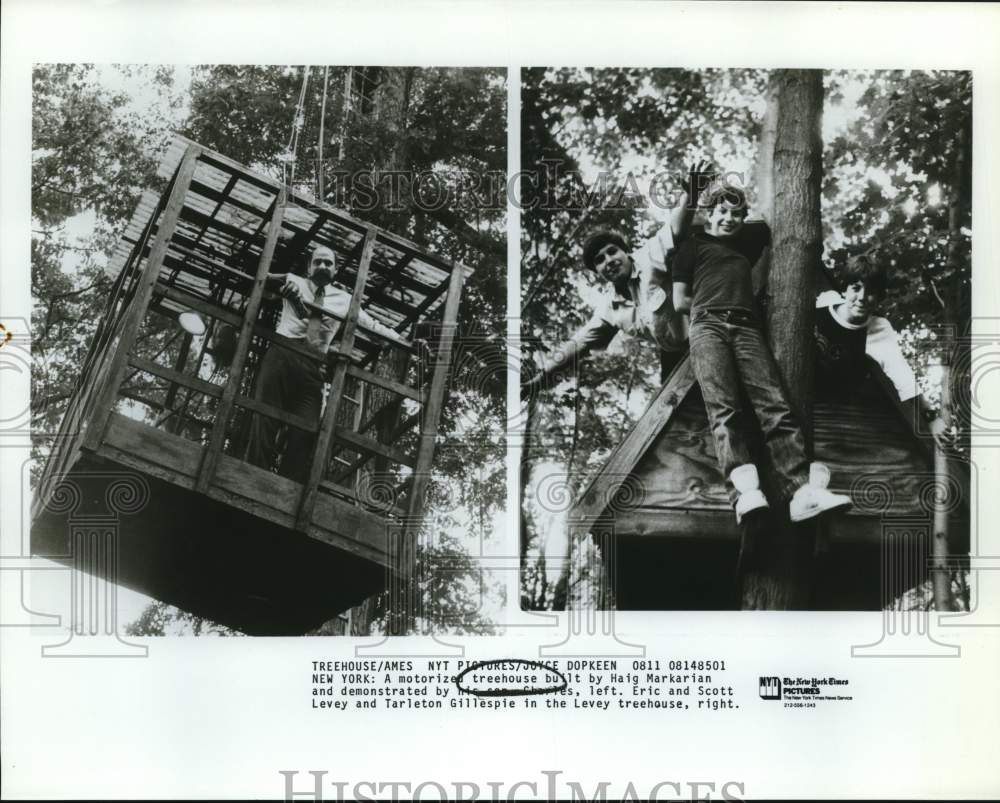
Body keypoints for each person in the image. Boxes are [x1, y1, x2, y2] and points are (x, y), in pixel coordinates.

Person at [671, 180, 852, 525]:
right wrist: (712, 307)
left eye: (737, 214)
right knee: (723, 409)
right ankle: (745, 494)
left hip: (747, 326)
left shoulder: (748, 244)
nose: (730, 218)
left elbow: (773, 217)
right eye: (723, 211)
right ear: (709, 213)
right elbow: (680, 301)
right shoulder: (692, 247)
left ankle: (801, 491)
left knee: (775, 405)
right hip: (707, 325)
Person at [523, 163, 711, 393]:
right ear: (598, 272)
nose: (609, 260)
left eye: (612, 252)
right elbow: (578, 344)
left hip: (704, 331)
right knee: (676, 415)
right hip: (673, 354)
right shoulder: (609, 309)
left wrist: (692, 193)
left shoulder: (649, 257)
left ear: (626, 252)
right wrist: (541, 378)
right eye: (600, 260)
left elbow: (675, 229)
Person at [247, 244, 407, 482]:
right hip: (282, 354)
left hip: (313, 366)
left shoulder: (345, 300)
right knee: (264, 418)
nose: (323, 266)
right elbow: (261, 279)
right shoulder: (294, 280)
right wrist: (280, 285)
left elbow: (374, 327)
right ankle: (252, 476)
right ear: (308, 267)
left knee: (306, 430)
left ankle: (286, 485)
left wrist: (405, 342)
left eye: (328, 263)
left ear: (335, 270)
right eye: (318, 262)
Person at [815, 253, 948, 445]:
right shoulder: (823, 303)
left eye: (870, 291)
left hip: (835, 414)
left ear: (878, 297)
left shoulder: (878, 328)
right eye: (856, 288)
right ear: (845, 289)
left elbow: (903, 376)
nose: (862, 298)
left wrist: (932, 418)